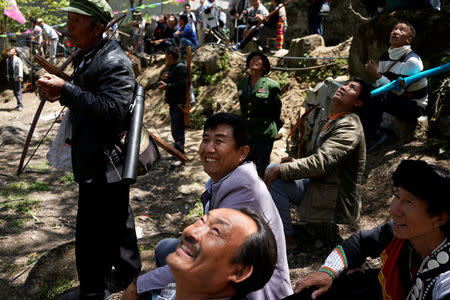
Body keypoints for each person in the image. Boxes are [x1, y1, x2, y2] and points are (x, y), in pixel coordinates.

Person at [36, 0, 141, 298]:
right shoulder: (89, 54)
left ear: (97, 27)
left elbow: (113, 110)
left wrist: (65, 90)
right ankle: (128, 274)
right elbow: (89, 97)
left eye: (76, 21)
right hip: (96, 157)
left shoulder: (114, 62)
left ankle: (93, 291)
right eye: (68, 19)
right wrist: (61, 92)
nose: (69, 26)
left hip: (105, 161)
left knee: (92, 232)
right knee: (118, 217)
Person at [134, 113, 293, 299]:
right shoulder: (230, 177)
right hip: (227, 268)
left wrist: (139, 285)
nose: (209, 149)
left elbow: (208, 260)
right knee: (165, 248)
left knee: (151, 287)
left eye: (219, 142)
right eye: (205, 140)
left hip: (252, 291)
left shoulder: (243, 188)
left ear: (242, 153)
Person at [291, 160, 450, 300]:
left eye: (409, 202)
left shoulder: (445, 280)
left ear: (440, 218)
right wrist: (328, 272)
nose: (394, 209)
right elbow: (359, 243)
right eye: (396, 196)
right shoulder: (400, 235)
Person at [264, 79, 368, 250]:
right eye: (345, 84)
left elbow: (321, 163)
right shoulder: (335, 119)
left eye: (352, 88)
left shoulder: (349, 127)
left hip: (334, 196)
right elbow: (323, 160)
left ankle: (287, 240)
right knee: (271, 169)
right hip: (323, 184)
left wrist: (284, 169)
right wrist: (295, 163)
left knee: (276, 179)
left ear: (357, 102)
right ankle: (284, 231)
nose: (343, 87)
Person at [121, 207, 278, 300]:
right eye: (202, 221)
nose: (191, 231)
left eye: (215, 231)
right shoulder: (176, 289)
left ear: (239, 271)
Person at [363, 22, 428, 148]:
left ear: (408, 40)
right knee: (360, 88)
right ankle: (365, 132)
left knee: (374, 97)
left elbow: (399, 91)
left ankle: (374, 135)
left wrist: (376, 75)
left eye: (402, 30)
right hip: (395, 98)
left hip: (413, 105)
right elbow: (380, 85)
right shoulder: (384, 57)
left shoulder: (411, 61)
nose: (396, 32)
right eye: (394, 29)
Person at [237, 51, 281, 178]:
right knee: (244, 163)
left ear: (264, 67)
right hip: (247, 132)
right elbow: (243, 108)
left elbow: (276, 109)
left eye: (258, 60)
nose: (254, 61)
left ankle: (262, 192)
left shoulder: (271, 85)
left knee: (262, 166)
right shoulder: (242, 84)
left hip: (265, 131)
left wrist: (273, 126)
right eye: (251, 59)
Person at [158, 46, 188, 164]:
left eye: (166, 56)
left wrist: (167, 86)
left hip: (179, 104)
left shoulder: (181, 68)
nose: (165, 58)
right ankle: (177, 153)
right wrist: (164, 79)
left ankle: (180, 156)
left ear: (170, 56)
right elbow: (173, 81)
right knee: (175, 130)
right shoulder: (172, 68)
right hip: (173, 103)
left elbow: (182, 84)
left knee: (178, 130)